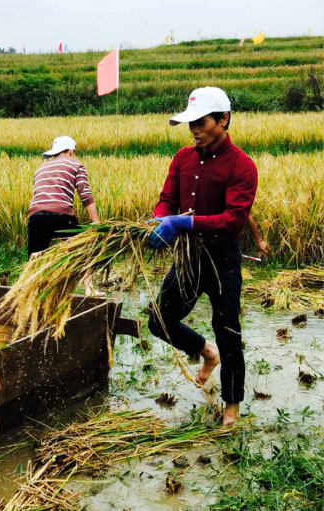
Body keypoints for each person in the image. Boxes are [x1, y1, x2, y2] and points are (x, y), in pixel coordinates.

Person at [146, 87, 258, 427]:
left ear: (223, 120)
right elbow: (167, 199)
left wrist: (185, 221)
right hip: (189, 257)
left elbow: (233, 220)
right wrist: (159, 219)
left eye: (201, 121)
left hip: (222, 260)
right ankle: (206, 352)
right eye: (190, 122)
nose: (194, 128)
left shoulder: (242, 166)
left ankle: (231, 407)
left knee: (228, 332)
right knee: (158, 320)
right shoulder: (182, 158)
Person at [27, 135, 101, 294]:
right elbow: (85, 194)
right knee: (87, 246)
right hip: (61, 215)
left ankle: (31, 293)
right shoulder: (76, 164)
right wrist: (95, 222)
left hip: (35, 217)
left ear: (54, 152)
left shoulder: (40, 168)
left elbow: (40, 195)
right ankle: (89, 289)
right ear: (71, 151)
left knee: (34, 258)